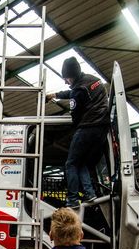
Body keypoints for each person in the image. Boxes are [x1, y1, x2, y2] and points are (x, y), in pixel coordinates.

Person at [45, 57, 109, 209]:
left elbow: (75, 118)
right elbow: (73, 92)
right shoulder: (93, 80)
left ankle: (73, 199)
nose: (66, 82)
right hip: (102, 128)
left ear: (71, 75)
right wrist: (54, 95)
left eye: (66, 78)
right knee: (81, 162)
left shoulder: (78, 90)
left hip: (88, 127)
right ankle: (90, 193)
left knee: (70, 163)